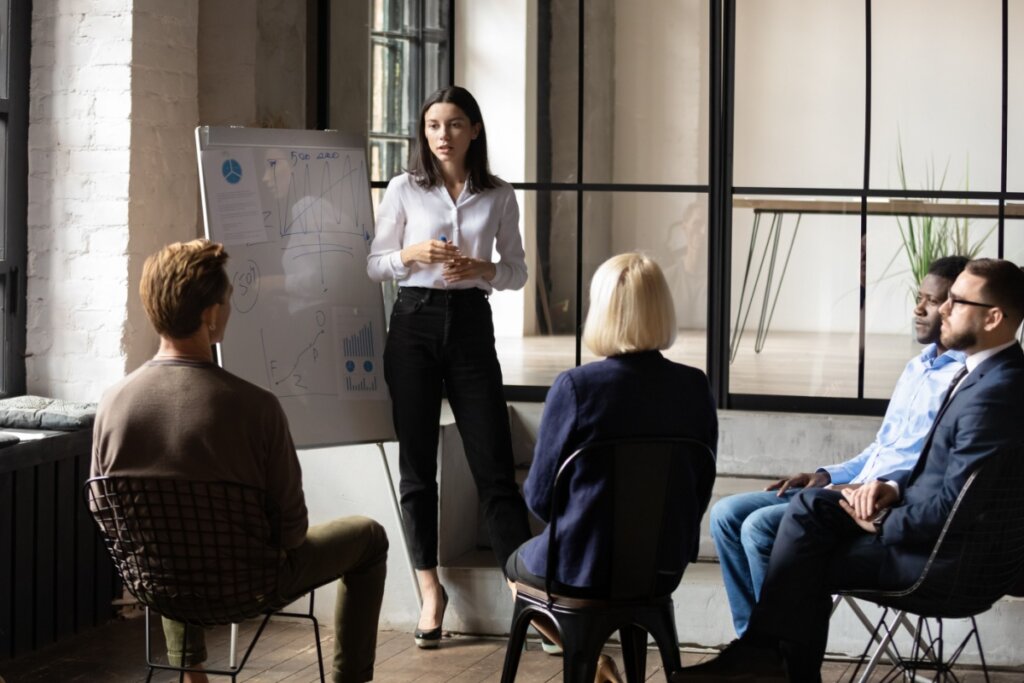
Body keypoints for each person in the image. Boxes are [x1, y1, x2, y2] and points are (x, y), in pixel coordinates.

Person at [681, 258, 1024, 682]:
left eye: (955, 300)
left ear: (993, 317)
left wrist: (880, 518)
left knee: (788, 534)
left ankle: (769, 659)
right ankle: (767, 656)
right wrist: (886, 492)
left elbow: (953, 508)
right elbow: (932, 471)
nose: (943, 310)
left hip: (937, 563)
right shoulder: (985, 378)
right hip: (912, 522)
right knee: (803, 508)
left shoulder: (993, 394)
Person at [92, 240, 389, 683]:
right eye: (228, 301)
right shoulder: (256, 408)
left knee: (171, 531)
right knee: (369, 538)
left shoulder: (112, 404)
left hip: (160, 585)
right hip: (250, 587)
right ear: (211, 315)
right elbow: (290, 532)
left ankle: (192, 675)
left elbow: (109, 513)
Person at [709, 255, 968, 638]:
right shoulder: (916, 368)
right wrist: (826, 474)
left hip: (872, 506)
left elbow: (927, 472)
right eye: (919, 296)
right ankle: (755, 646)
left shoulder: (963, 380)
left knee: (759, 527)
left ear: (954, 308)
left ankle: (778, 652)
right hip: (842, 489)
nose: (918, 307)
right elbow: (880, 448)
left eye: (932, 300)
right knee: (726, 514)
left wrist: (865, 490)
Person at [366, 85, 532, 648]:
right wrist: (409, 256)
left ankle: (523, 594)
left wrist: (484, 267)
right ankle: (429, 592)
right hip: (411, 324)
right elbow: (373, 265)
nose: (443, 135)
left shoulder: (499, 195)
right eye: (433, 125)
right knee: (417, 467)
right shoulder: (404, 189)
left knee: (493, 464)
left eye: (454, 124)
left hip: (469, 324)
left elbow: (517, 273)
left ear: (474, 131)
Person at [507, 253, 718, 682]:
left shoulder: (576, 388)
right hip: (662, 569)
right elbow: (700, 489)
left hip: (582, 566)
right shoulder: (695, 387)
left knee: (514, 570)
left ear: (600, 311)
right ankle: (602, 663)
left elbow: (541, 499)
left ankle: (591, 660)